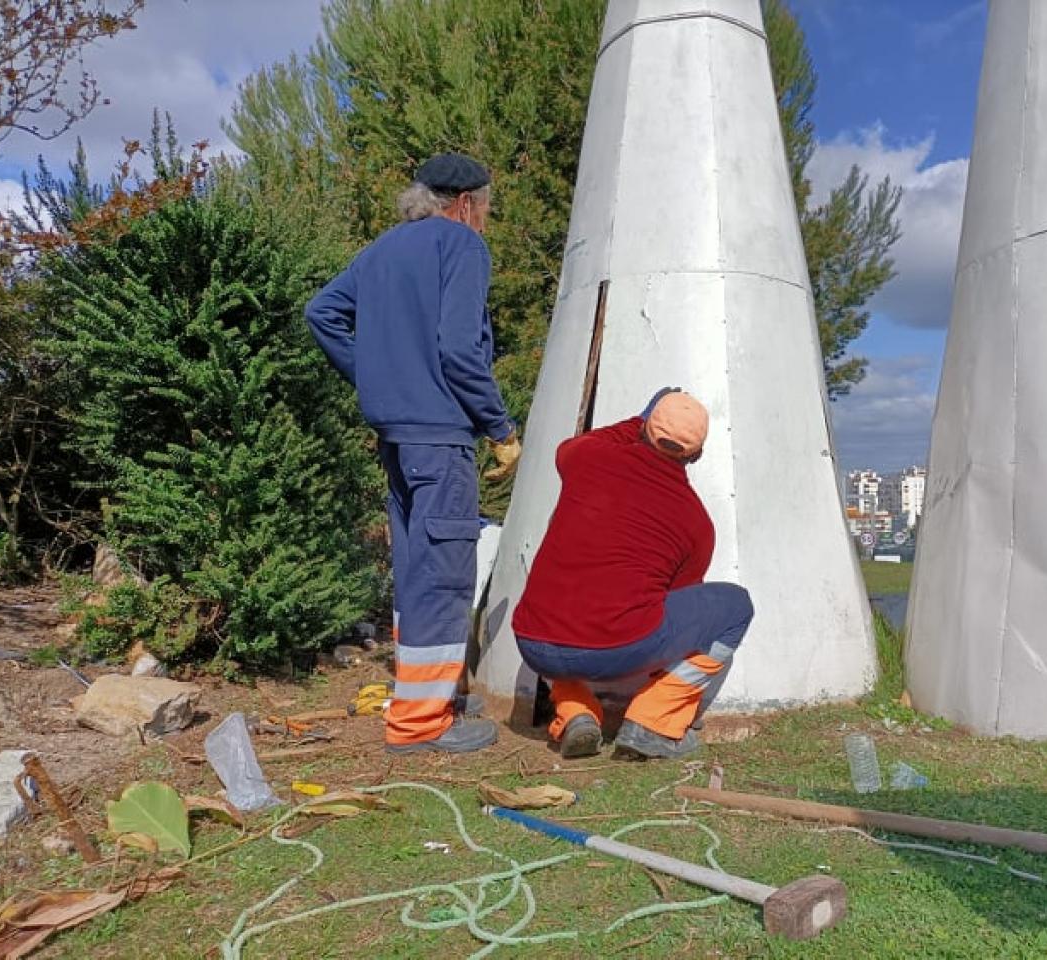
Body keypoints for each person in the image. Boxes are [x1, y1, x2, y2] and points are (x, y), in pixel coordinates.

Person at [305, 152, 521, 754]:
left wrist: (375, 375)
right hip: (440, 436)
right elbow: (459, 350)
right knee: (445, 575)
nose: (485, 222)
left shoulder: (380, 250)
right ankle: (421, 724)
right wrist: (499, 428)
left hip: (397, 438)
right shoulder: (461, 246)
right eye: (486, 209)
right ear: (465, 204)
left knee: (414, 571)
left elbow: (321, 313)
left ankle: (431, 694)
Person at [512, 389, 754, 759]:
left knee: (559, 607)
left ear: (641, 428)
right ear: (698, 454)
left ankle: (575, 712)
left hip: (531, 642)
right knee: (736, 606)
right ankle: (653, 722)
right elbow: (675, 599)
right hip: (612, 652)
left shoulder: (585, 458)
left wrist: (643, 415)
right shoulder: (697, 524)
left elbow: (590, 441)